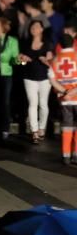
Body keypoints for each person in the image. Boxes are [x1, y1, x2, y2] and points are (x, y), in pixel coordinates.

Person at [18, 19, 53, 143]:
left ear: (42, 29)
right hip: (29, 77)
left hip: (44, 77)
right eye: (32, 27)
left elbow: (51, 62)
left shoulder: (47, 43)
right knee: (32, 103)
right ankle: (35, 131)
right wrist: (22, 59)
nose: (34, 29)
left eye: (37, 27)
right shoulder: (26, 43)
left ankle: (42, 128)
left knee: (43, 104)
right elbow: (20, 62)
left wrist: (46, 60)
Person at [49, 33, 77, 164]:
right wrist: (73, 92)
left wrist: (65, 92)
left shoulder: (55, 59)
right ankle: (76, 154)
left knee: (67, 126)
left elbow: (52, 80)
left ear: (60, 45)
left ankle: (66, 155)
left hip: (64, 99)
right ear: (73, 43)